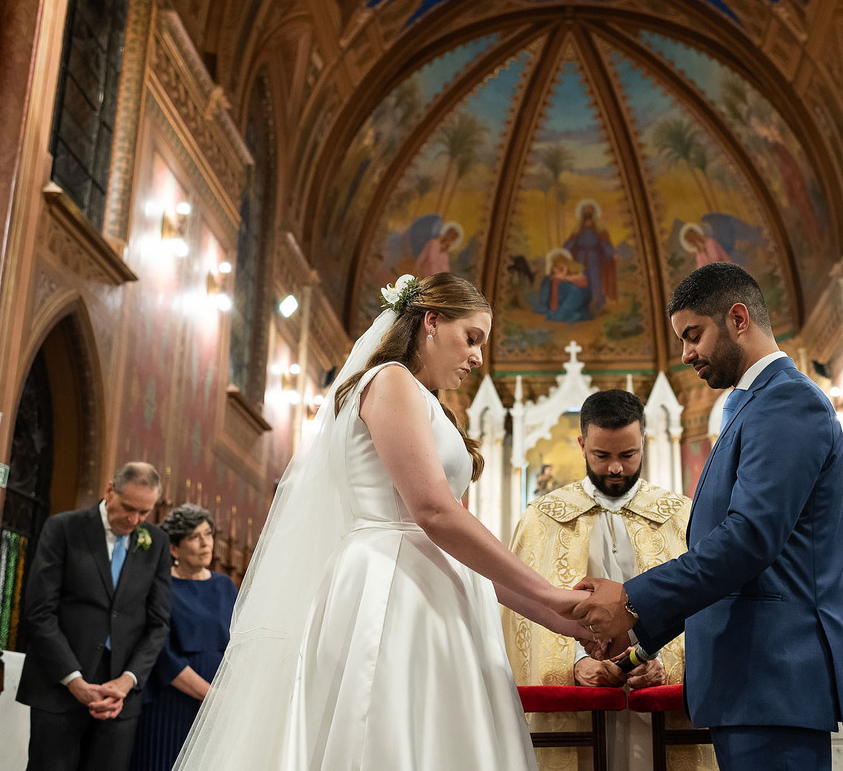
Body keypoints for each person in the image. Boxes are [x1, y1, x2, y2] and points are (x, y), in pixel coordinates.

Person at [173, 272, 592, 770]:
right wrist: (551, 593)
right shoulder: (390, 380)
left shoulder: (426, 402)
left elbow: (465, 546)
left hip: (435, 585)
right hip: (393, 586)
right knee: (385, 735)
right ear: (431, 322)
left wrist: (566, 621)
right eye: (471, 338)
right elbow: (434, 512)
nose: (478, 357)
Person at [571, 263, 843, 771]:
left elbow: (747, 540)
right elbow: (723, 561)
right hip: (750, 682)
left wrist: (632, 601)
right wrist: (637, 647)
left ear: (738, 318)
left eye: (693, 335)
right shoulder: (748, 406)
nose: (686, 354)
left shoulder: (787, 400)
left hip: (774, 675)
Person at [504, 389, 715, 771]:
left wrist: (665, 660)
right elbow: (523, 614)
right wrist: (575, 662)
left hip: (657, 701)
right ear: (582, 444)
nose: (615, 467)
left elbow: (705, 602)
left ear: (644, 443)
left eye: (627, 454)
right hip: (581, 707)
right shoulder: (542, 519)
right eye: (602, 455)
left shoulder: (680, 516)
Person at [18, 462, 172, 771]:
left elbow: (158, 623)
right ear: (109, 490)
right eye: (129, 508)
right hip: (59, 687)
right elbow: (39, 611)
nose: (134, 520)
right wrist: (74, 680)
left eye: (145, 513)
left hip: (119, 697)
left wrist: (127, 682)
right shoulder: (64, 528)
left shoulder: (155, 542)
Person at [129, 505, 237, 771]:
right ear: (174, 548)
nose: (205, 543)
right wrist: (211, 696)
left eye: (208, 534)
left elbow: (241, 644)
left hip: (217, 710)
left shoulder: (225, 586)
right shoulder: (161, 586)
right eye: (194, 537)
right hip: (170, 706)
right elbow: (162, 656)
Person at [564, 200, 616, 309]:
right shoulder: (578, 231)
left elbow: (605, 243)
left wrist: (610, 254)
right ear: (582, 218)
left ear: (593, 217)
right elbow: (569, 244)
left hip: (594, 259)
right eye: (585, 217)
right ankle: (580, 303)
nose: (588, 220)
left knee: (595, 280)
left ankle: (598, 304)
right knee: (581, 279)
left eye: (590, 217)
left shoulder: (599, 230)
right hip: (580, 258)